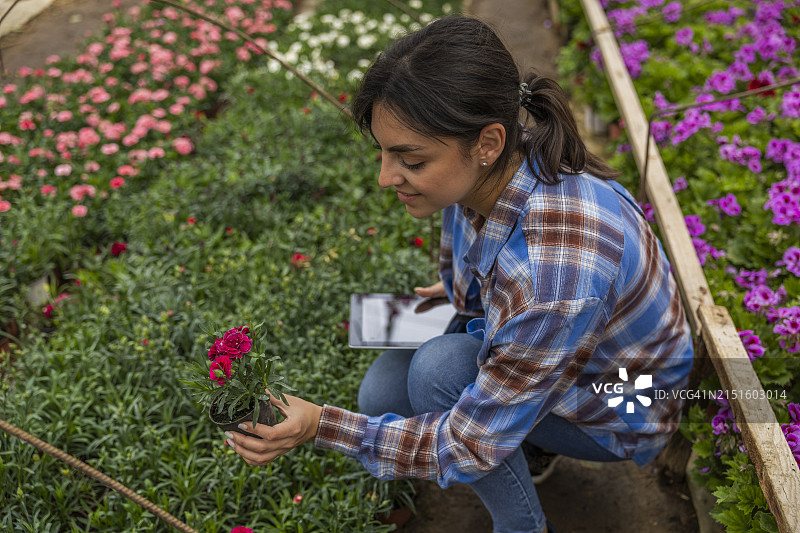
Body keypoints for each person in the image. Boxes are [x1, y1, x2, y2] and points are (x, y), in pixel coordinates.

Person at [223, 15, 693, 533]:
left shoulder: (551, 279)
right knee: (380, 395)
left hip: (624, 404)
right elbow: (475, 285)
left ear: (487, 143)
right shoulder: (488, 172)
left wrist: (319, 425)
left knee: (438, 373)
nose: (385, 177)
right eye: (383, 151)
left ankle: (524, 526)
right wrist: (462, 294)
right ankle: (527, 439)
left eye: (410, 160)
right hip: (562, 355)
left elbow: (465, 447)